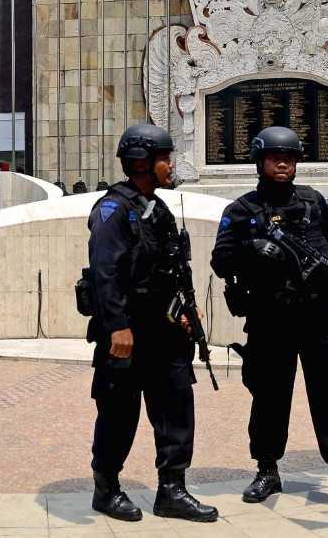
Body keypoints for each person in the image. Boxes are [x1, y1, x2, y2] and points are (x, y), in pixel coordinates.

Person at [211, 126, 328, 514]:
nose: (283, 163)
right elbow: (220, 261)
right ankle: (267, 468)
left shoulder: (313, 203)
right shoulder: (240, 210)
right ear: (259, 161)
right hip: (270, 319)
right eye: (275, 157)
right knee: (270, 395)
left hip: (319, 316)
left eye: (289, 157)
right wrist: (253, 249)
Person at [85, 123, 217, 524]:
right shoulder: (112, 210)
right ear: (142, 163)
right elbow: (105, 273)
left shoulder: (158, 208)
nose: (170, 165)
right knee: (118, 414)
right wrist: (118, 327)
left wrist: (185, 316)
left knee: (177, 409)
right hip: (127, 334)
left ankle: (172, 490)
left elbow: (174, 270)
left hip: (164, 333)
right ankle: (106, 489)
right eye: (165, 158)